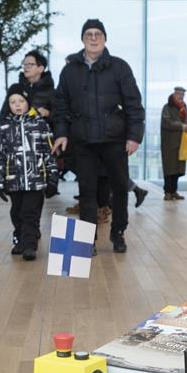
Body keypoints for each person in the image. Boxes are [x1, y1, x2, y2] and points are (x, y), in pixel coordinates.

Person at [52, 19, 145, 254]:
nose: (93, 38)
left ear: (104, 39)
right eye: (89, 34)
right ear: (83, 39)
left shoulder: (119, 67)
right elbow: (60, 106)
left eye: (98, 34)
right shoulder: (69, 70)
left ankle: (118, 233)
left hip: (115, 140)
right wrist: (61, 133)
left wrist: (134, 137)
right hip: (84, 141)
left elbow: (134, 104)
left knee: (120, 188)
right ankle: (86, 239)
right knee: (87, 191)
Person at [0, 84, 58, 261]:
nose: (17, 105)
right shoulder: (4, 127)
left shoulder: (40, 125)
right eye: (13, 102)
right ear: (8, 104)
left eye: (21, 100)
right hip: (14, 180)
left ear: (28, 102)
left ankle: (30, 245)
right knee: (17, 212)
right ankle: (20, 239)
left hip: (36, 180)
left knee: (30, 212)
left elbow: (48, 153)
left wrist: (53, 178)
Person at [0, 50, 55, 128]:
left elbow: (60, 118)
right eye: (24, 64)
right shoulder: (16, 89)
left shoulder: (51, 92)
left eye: (30, 64)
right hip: (16, 136)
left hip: (41, 137)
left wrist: (48, 113)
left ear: (40, 68)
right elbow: (3, 115)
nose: (26, 67)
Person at [160, 86, 187, 200]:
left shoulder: (184, 108)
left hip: (181, 142)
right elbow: (166, 122)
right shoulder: (167, 107)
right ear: (174, 94)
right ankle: (167, 191)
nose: (181, 96)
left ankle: (174, 191)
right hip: (169, 142)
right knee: (169, 168)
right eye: (178, 94)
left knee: (177, 168)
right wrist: (180, 126)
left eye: (182, 94)